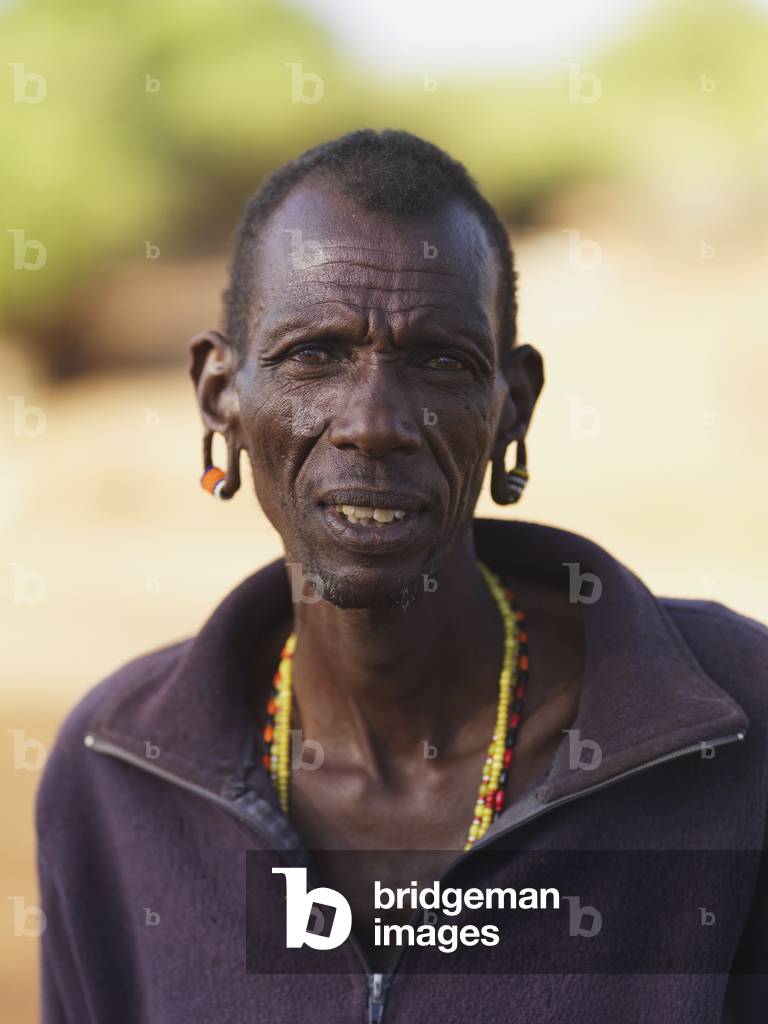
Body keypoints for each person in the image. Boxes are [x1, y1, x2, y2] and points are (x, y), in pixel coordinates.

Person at [36, 130, 768, 1023]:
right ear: (220, 394)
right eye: (314, 354)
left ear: (512, 406)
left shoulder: (736, 725)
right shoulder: (119, 772)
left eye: (441, 361)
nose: (375, 424)